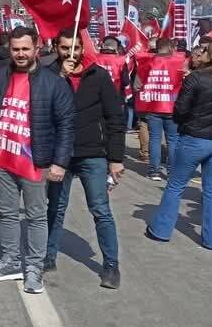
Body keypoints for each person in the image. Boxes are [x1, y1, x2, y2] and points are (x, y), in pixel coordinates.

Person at [0, 26, 74, 295]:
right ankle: (11, 262)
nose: (20, 54)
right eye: (16, 49)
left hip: (35, 160)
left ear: (37, 48)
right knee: (6, 214)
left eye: (25, 49)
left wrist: (60, 162)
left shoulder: (54, 82)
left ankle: (34, 267)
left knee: (36, 216)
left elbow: (66, 125)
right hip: (1, 155)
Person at [45, 29, 125, 289]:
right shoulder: (48, 75)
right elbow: (40, 107)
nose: (71, 53)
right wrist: (61, 78)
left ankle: (111, 266)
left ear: (83, 48)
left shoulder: (99, 76)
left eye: (76, 48)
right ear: (56, 47)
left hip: (93, 153)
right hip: (60, 155)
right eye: (65, 47)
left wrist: (115, 158)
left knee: (100, 210)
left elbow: (115, 118)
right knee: (55, 209)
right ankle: (48, 257)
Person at [147, 40, 212, 251]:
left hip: (195, 138)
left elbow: (179, 111)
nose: (199, 53)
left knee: (176, 185)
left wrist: (188, 122)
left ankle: (161, 230)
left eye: (204, 50)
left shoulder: (195, 78)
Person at [134, 38, 188, 181]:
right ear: (171, 47)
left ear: (157, 47)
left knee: (155, 140)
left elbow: (137, 85)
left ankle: (154, 171)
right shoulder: (179, 61)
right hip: (172, 106)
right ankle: (171, 172)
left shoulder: (146, 62)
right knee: (173, 141)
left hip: (153, 106)